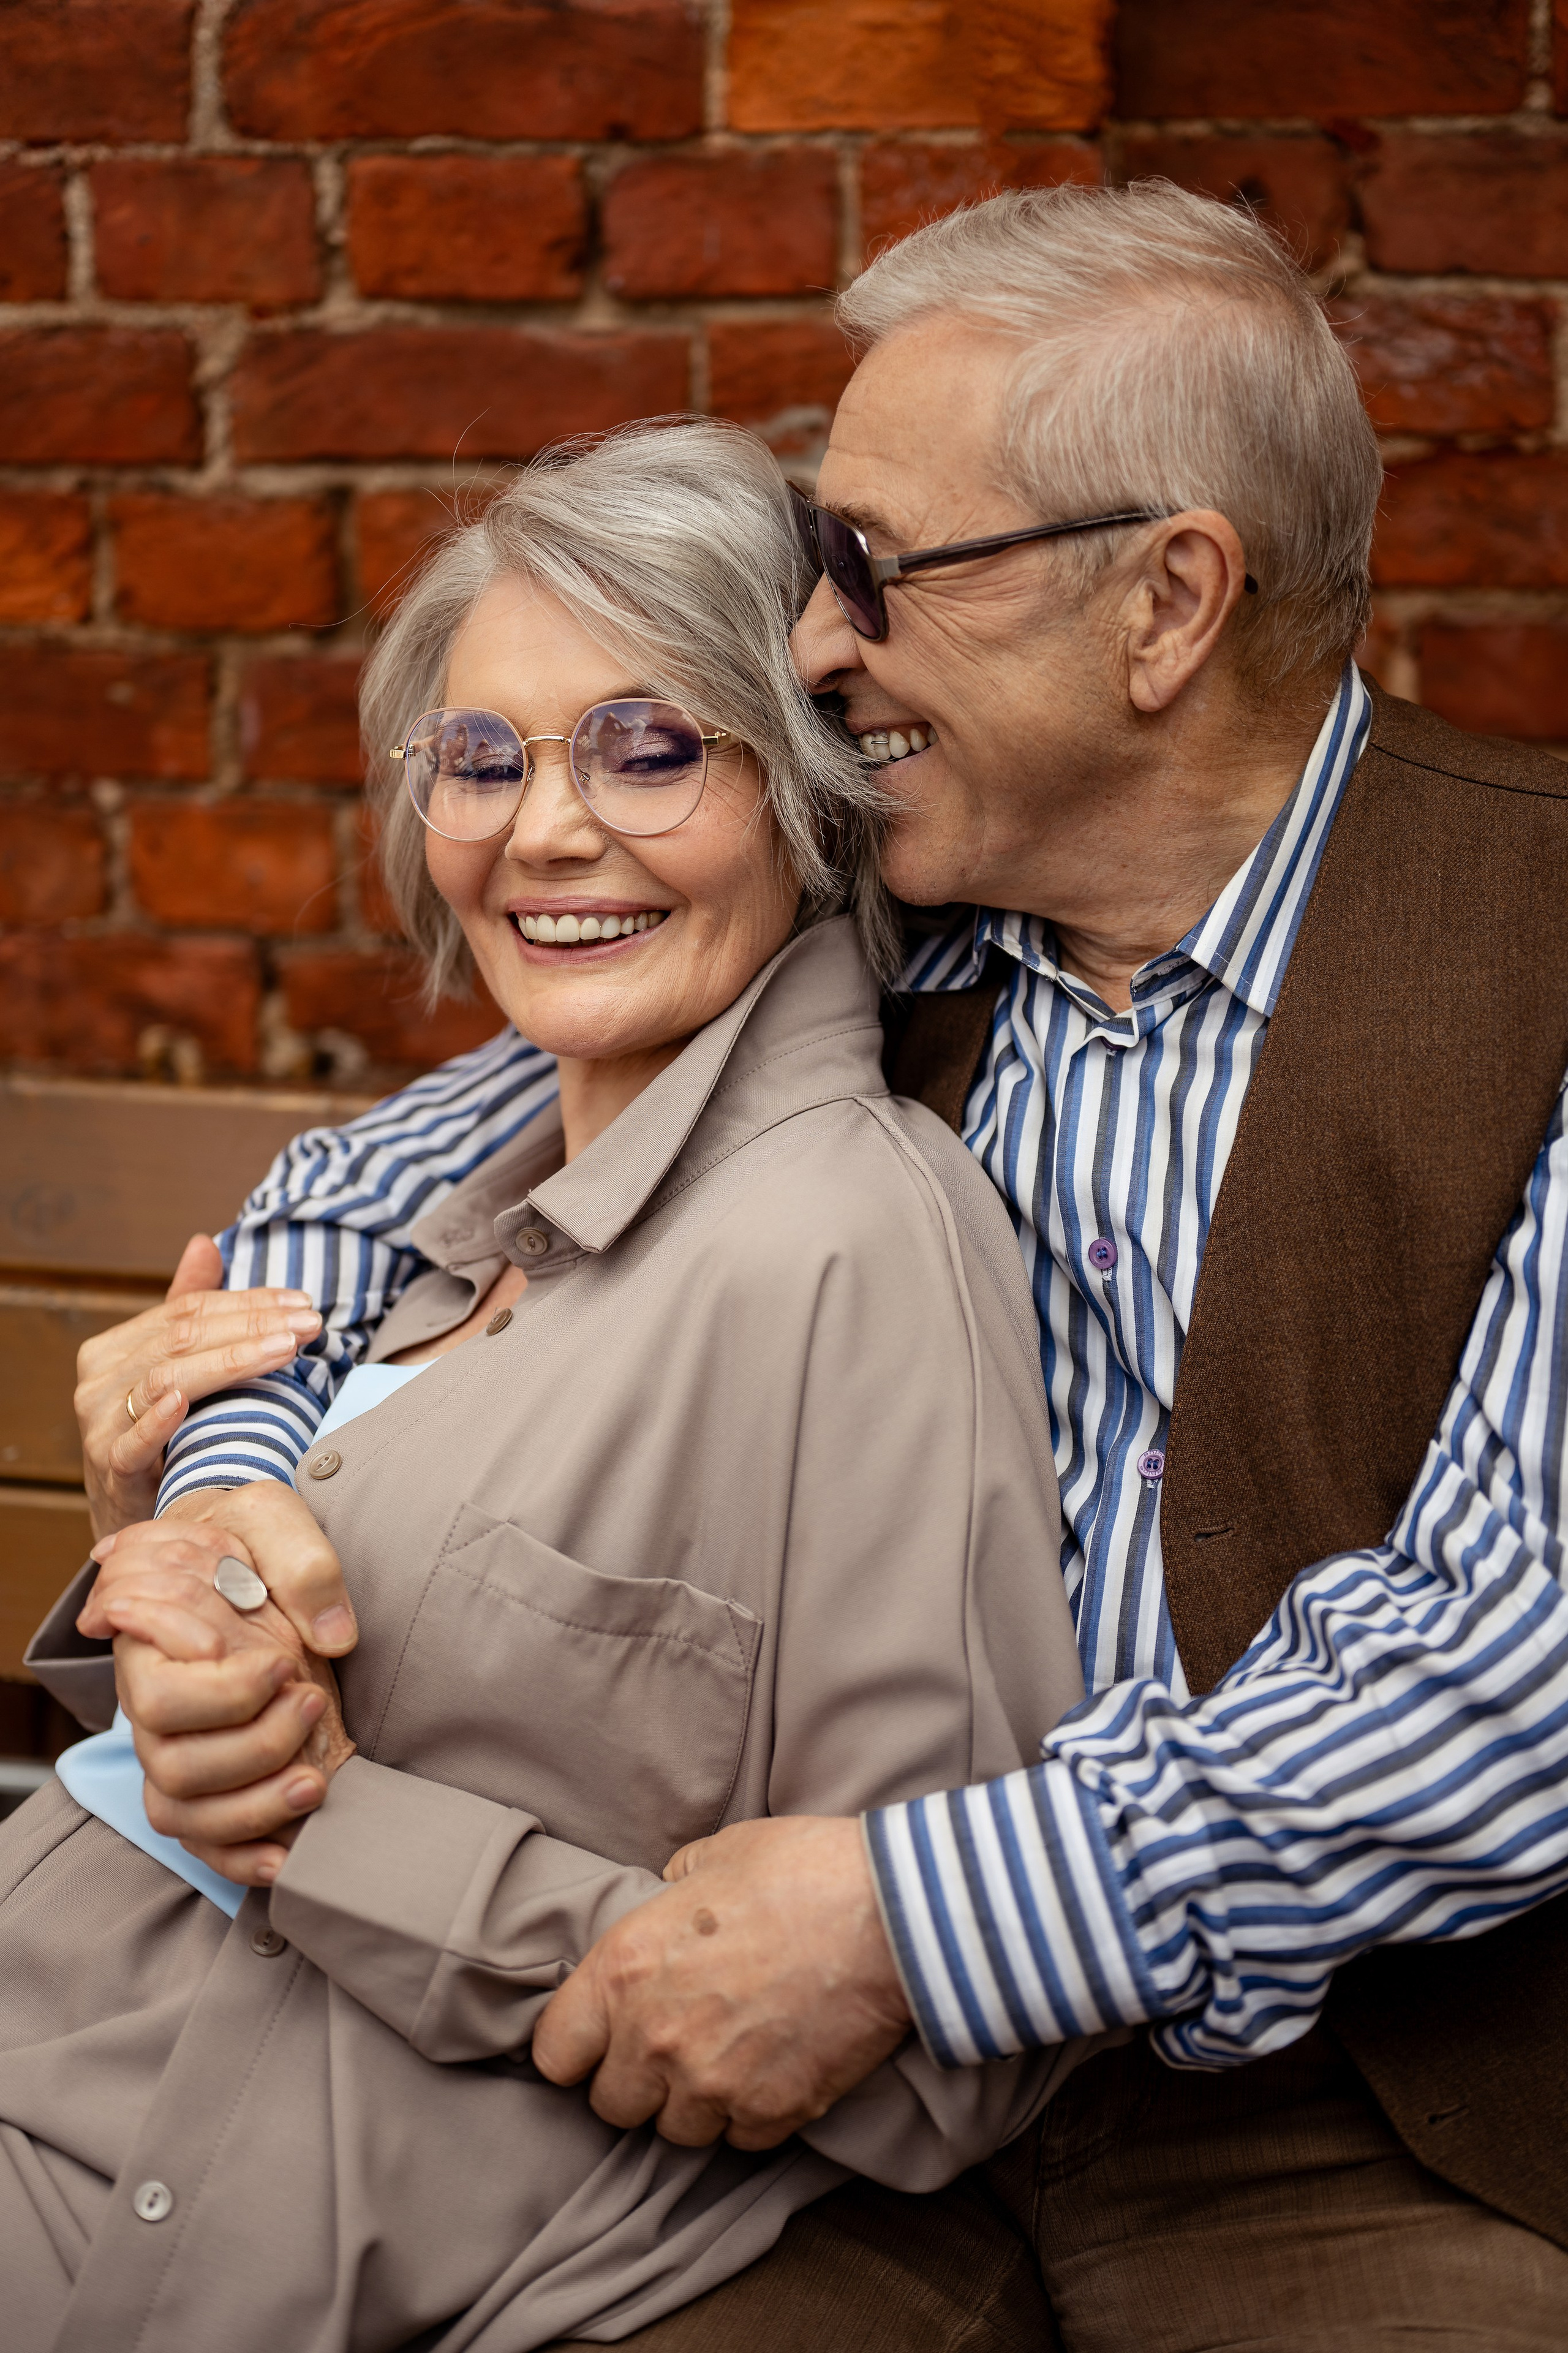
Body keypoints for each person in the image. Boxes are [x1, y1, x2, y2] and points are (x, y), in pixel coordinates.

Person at [67, 183, 1568, 2346]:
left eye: (876, 568)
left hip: (1361, 2106)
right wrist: (238, 1473)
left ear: (1167, 602)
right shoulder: (889, 913)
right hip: (811, 2099)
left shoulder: (1543, 952)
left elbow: (1518, 1650)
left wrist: (918, 1919)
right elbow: (382, 1176)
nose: (815, 646)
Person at [0, 422, 1091, 2352]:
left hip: (185, 2182)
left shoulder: (844, 1248)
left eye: (651, 745)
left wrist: (327, 1821)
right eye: (483, 758)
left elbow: (928, 2045)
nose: (545, 827)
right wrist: (165, 1585)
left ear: (808, 786)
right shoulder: (463, 1178)